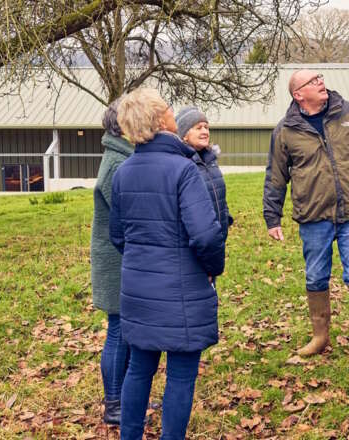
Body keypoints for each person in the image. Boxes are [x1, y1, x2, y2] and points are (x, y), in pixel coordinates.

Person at [110, 87, 225, 440]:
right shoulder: (185, 170)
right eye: (171, 109)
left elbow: (117, 235)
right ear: (162, 120)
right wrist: (212, 267)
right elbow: (205, 235)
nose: (176, 114)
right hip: (182, 289)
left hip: (138, 289)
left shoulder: (123, 172)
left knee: (139, 369)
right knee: (180, 374)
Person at [262, 70, 349, 369]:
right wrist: (272, 216)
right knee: (316, 277)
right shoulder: (286, 131)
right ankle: (320, 338)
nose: (321, 82)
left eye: (320, 77)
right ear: (298, 94)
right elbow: (276, 176)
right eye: (312, 81)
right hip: (313, 217)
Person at [90, 98, 134, 425]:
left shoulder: (122, 157)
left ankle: (125, 397)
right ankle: (115, 403)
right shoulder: (116, 165)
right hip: (115, 263)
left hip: (122, 260)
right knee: (118, 332)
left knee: (125, 331)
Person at [175, 106, 233, 238]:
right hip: (195, 241)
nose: (205, 131)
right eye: (198, 127)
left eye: (206, 127)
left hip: (217, 237)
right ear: (184, 135)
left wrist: (225, 217)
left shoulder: (211, 160)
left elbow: (218, 193)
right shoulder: (181, 163)